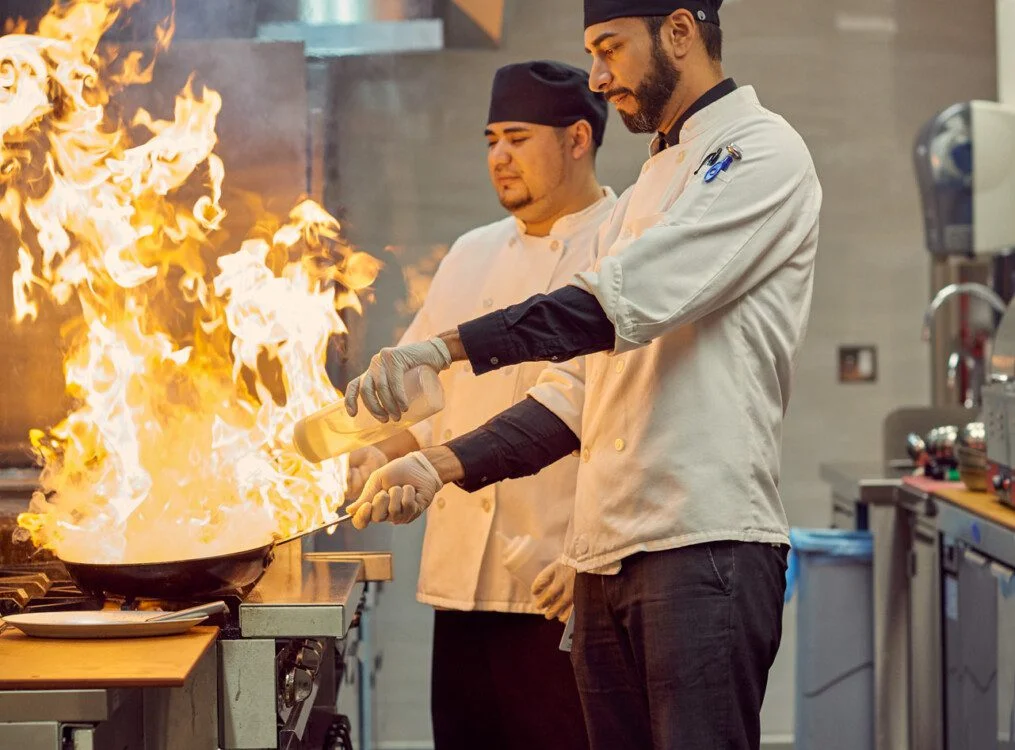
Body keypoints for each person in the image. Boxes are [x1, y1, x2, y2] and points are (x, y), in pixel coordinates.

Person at [341, 2, 823, 749]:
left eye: (609, 49)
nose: (599, 77)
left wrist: (447, 348)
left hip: (699, 541)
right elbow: (573, 392)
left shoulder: (758, 151)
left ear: (679, 30)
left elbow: (616, 305)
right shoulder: (646, 192)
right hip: (608, 553)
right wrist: (435, 464)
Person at [346, 60, 614, 750]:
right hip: (462, 581)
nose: (498, 156)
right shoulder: (469, 253)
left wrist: (596, 555)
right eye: (491, 138)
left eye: (518, 138)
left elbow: (612, 417)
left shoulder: (622, 246)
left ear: (577, 138)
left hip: (561, 583)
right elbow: (425, 408)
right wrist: (373, 452)